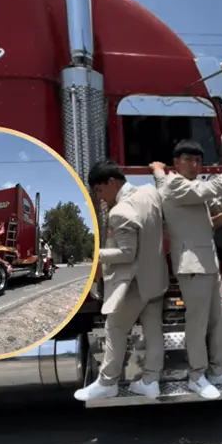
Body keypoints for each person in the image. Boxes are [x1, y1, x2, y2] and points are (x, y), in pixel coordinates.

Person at [152, 140, 222, 400]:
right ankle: (196, 376)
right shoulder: (176, 184)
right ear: (176, 163)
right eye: (188, 159)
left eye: (197, 160)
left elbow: (202, 224)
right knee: (198, 323)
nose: (194, 164)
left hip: (208, 262)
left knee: (221, 317)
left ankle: (218, 370)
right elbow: (214, 187)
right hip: (193, 264)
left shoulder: (185, 187)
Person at [74, 160, 168, 401]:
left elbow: (127, 254)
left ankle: (108, 382)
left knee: (115, 328)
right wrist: (159, 172)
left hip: (134, 284)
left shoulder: (120, 212)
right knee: (153, 330)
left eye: (99, 190)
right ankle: (151, 380)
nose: (99, 197)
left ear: (112, 182)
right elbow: (164, 189)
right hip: (156, 279)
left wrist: (96, 253)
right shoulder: (150, 193)